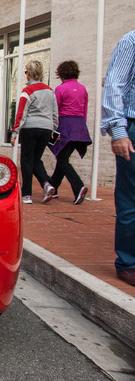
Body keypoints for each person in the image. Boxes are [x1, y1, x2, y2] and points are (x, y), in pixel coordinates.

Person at [101, 29, 135, 287]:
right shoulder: (131, 40)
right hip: (133, 126)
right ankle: (128, 262)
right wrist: (118, 131)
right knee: (131, 197)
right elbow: (114, 84)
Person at [11, 60, 59, 205]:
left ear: (30, 73)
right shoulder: (50, 91)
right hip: (46, 128)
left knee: (26, 160)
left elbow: (21, 113)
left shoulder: (27, 91)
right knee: (36, 159)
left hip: (30, 128)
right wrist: (53, 128)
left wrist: (15, 132)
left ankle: (27, 194)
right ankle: (47, 184)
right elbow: (55, 112)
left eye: (26, 72)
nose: (26, 74)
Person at [48, 61, 92, 204]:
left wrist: (52, 128)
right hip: (79, 127)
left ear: (61, 74)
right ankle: (54, 186)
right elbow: (84, 110)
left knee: (62, 159)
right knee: (63, 157)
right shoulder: (83, 88)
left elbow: (55, 111)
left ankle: (78, 186)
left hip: (65, 125)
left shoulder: (60, 89)